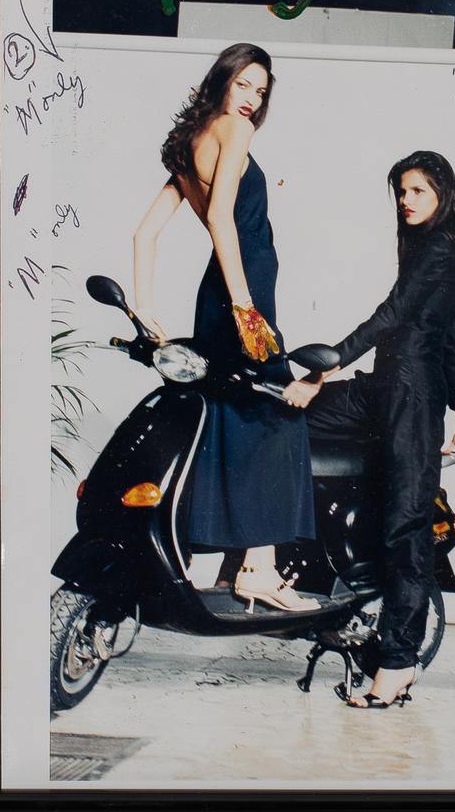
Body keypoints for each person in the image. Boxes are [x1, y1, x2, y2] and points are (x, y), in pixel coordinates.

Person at [286, 150, 455, 708]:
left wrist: (322, 370)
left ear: (442, 193)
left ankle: (398, 663)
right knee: (283, 417)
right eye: (401, 191)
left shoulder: (442, 249)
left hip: (412, 400)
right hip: (384, 387)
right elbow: (449, 336)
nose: (405, 201)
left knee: (405, 527)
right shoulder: (425, 246)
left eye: (418, 191)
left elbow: (392, 314)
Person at [132, 43, 319, 612]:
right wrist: (245, 307)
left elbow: (144, 234)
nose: (252, 100)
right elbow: (220, 217)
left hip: (217, 292)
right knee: (276, 415)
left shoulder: (189, 142)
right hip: (243, 290)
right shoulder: (235, 131)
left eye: (260, 92)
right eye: (244, 85)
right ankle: (258, 569)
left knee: (229, 419)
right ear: (222, 80)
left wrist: (143, 310)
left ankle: (218, 561)